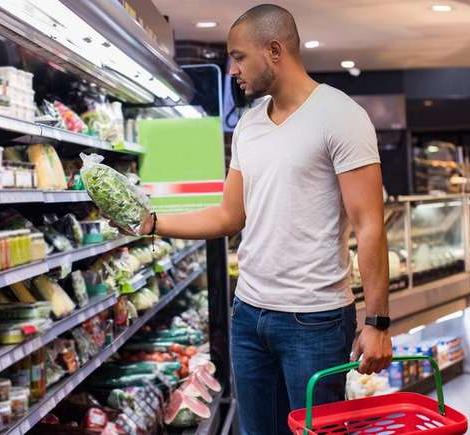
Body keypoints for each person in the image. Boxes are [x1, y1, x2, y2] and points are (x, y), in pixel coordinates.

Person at [138, 4, 392, 433]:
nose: (232, 69)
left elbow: (370, 225)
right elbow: (227, 215)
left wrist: (378, 322)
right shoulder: (249, 126)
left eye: (238, 56)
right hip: (249, 315)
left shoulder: (341, 116)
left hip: (315, 320)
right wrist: (152, 222)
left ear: (275, 50)